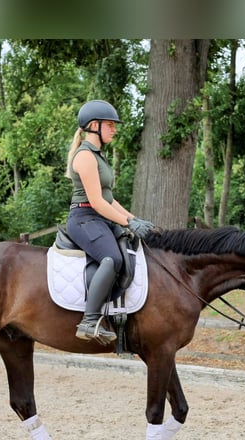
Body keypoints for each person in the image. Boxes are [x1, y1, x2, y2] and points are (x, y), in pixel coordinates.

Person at [65, 99, 157, 344]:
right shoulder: (85, 157)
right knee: (112, 258)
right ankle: (89, 321)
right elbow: (96, 202)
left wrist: (134, 219)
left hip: (99, 217)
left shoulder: (99, 156)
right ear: (94, 126)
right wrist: (127, 223)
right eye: (110, 125)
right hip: (84, 218)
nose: (114, 129)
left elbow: (109, 199)